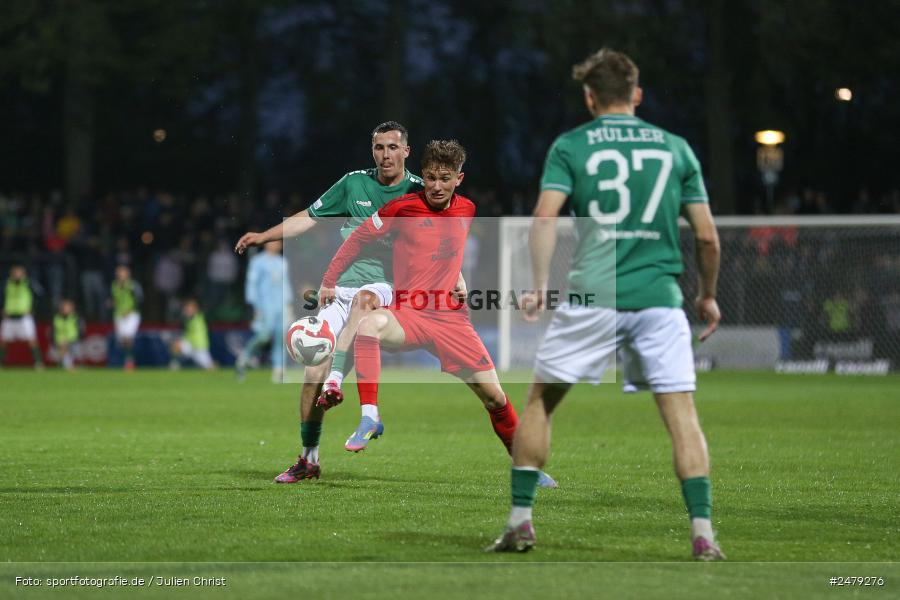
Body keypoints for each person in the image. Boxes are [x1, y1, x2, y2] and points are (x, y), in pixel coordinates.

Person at [484, 48, 725, 560]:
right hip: (660, 299)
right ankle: (703, 534)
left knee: (540, 403)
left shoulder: (572, 145)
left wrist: (540, 285)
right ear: (637, 94)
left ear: (589, 97)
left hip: (595, 293)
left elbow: (545, 220)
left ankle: (521, 523)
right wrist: (706, 294)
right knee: (682, 414)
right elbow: (707, 238)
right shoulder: (676, 148)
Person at [319, 140, 556, 487]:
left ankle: (528, 470)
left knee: (495, 398)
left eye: (445, 178)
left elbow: (445, 248)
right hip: (409, 314)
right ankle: (370, 415)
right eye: (430, 177)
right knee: (368, 324)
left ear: (459, 178)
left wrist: (456, 276)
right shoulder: (402, 208)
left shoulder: (468, 210)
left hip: (451, 320)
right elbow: (356, 239)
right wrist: (328, 280)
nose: (436, 186)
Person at [234, 121, 424, 484]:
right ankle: (308, 459)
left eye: (392, 148)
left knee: (365, 302)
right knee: (310, 376)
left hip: (386, 290)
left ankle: (339, 380)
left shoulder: (419, 191)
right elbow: (308, 217)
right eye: (379, 148)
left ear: (406, 152)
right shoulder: (354, 182)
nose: (385, 155)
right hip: (340, 289)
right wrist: (263, 236)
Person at [235, 240, 289, 382]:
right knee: (263, 337)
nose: (275, 245)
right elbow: (252, 284)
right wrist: (254, 305)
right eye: (272, 242)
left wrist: (288, 304)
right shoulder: (257, 262)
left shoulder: (282, 262)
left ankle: (279, 371)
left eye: (278, 243)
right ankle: (244, 357)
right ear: (266, 244)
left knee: (281, 338)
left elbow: (286, 284)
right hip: (264, 305)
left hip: (280, 305)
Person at [0, 265, 44, 368]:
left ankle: (38, 362)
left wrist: (33, 309)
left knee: (32, 340)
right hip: (9, 316)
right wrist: (2, 308)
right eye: (15, 273)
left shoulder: (29, 283)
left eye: (19, 273)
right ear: (11, 274)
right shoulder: (5, 284)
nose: (17, 276)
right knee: (3, 341)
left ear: (24, 274)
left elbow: (40, 295)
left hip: (24, 317)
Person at [110, 265, 143, 371]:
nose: (121, 275)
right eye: (119, 273)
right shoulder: (114, 285)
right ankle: (127, 359)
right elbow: (115, 299)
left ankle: (129, 362)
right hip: (119, 314)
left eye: (123, 273)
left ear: (128, 274)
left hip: (131, 315)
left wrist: (130, 310)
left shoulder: (133, 285)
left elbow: (140, 299)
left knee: (128, 337)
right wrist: (112, 303)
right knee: (122, 340)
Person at [170, 298, 214, 371]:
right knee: (176, 345)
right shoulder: (187, 319)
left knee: (209, 367)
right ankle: (175, 364)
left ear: (195, 309)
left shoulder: (199, 318)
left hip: (199, 347)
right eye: (187, 308)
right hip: (189, 345)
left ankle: (212, 365)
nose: (187, 310)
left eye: (190, 308)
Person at [53, 298, 82, 371]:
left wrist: (71, 338)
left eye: (68, 308)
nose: (66, 310)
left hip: (73, 339)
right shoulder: (57, 318)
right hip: (61, 339)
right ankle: (68, 366)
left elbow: (79, 329)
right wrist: (63, 340)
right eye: (65, 308)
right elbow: (57, 330)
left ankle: (65, 364)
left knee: (75, 352)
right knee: (64, 348)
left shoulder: (75, 317)